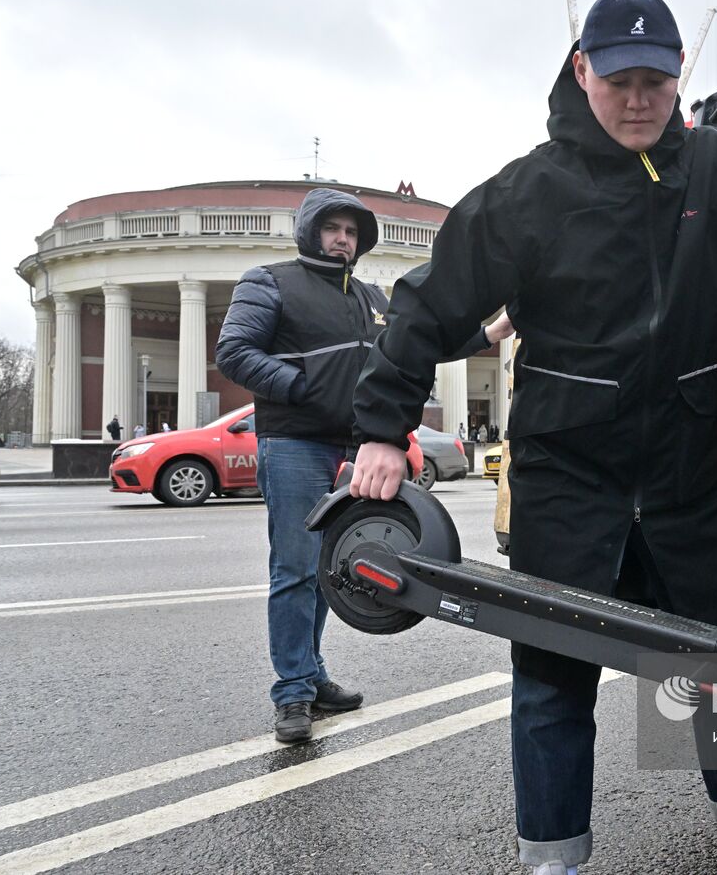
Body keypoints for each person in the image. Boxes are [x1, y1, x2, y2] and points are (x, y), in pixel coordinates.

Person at [349, 0, 717, 875]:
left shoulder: (714, 164)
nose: (640, 99)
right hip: (569, 472)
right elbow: (428, 304)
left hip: (687, 466)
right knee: (557, 676)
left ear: (680, 76)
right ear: (581, 71)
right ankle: (553, 859)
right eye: (621, 79)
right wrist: (381, 427)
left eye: (658, 80)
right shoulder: (529, 190)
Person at [217, 187, 511, 744]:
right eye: (332, 229)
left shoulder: (373, 297)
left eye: (351, 232)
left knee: (330, 567)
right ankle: (293, 692)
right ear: (309, 230)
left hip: (356, 449)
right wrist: (303, 388)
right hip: (297, 444)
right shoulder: (270, 280)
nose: (342, 239)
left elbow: (413, 344)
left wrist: (489, 334)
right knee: (297, 569)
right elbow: (234, 352)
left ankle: (312, 673)